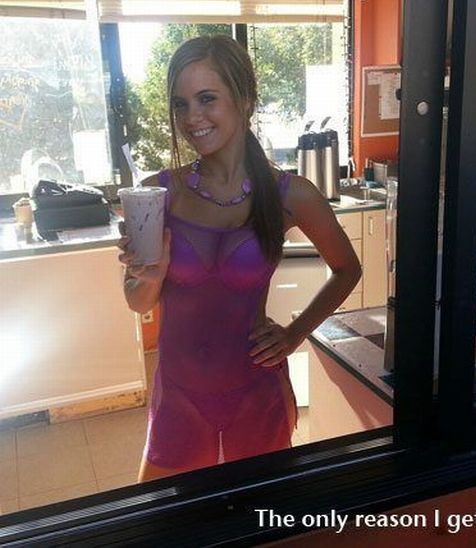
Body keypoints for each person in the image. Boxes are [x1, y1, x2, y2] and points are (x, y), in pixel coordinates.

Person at [118, 35, 361, 482]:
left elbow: (348, 269)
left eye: (206, 98)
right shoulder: (158, 193)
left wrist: (294, 334)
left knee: (260, 516)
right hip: (178, 396)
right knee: (159, 518)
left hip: (256, 390)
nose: (191, 117)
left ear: (245, 99)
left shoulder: (291, 195)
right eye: (181, 104)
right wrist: (151, 275)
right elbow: (137, 301)